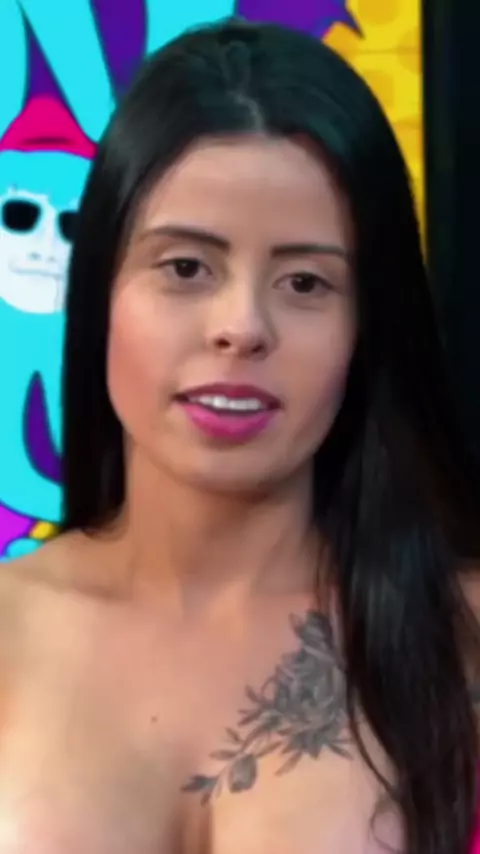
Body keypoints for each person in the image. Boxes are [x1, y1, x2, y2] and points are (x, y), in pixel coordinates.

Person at [1, 18, 479, 854]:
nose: (243, 327)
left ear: (368, 326)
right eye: (186, 267)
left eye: (305, 282)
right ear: (101, 293)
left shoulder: (461, 639)